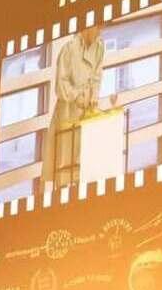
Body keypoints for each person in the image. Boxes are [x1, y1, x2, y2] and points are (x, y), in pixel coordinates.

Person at [43, 27, 113, 186]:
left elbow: (97, 76)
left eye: (103, 26)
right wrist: (77, 96)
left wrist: (94, 96)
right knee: (64, 164)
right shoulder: (69, 48)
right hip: (68, 111)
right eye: (98, 26)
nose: (100, 31)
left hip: (88, 111)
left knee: (85, 163)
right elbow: (60, 85)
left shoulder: (99, 46)